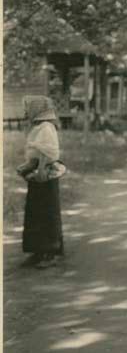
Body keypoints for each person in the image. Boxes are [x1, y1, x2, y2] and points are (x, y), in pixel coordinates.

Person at [17, 96, 64, 269]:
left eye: (28, 108)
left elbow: (47, 150)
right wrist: (26, 166)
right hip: (37, 171)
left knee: (47, 211)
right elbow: (35, 152)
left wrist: (42, 168)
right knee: (34, 211)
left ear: (37, 109)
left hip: (46, 172)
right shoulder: (37, 127)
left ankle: (50, 252)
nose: (26, 112)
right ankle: (36, 250)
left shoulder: (46, 127)